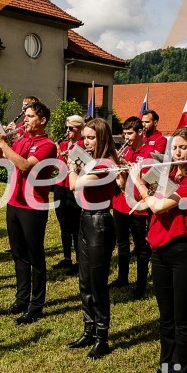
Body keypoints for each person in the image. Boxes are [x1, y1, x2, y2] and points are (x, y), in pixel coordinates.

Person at [130, 126, 187, 373]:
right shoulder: (170, 174)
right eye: (174, 147)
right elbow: (151, 200)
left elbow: (160, 206)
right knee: (165, 317)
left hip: (183, 252)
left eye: (183, 147)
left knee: (182, 318)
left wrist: (138, 182)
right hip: (159, 251)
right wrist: (142, 183)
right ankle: (166, 370)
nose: (177, 152)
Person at [0, 101, 57, 311]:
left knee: (35, 256)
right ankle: (21, 300)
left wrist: (4, 144)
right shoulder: (22, 141)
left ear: (42, 120)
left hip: (33, 206)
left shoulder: (47, 144)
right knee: (18, 254)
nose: (25, 120)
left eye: (29, 116)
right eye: (25, 116)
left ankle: (36, 304)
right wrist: (0, 142)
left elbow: (25, 165)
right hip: (15, 203)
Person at [67, 118, 118, 359]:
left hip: (99, 223)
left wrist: (71, 166)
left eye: (91, 137)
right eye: (84, 137)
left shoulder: (106, 164)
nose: (85, 142)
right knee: (85, 280)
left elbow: (74, 185)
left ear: (102, 138)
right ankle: (88, 330)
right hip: (85, 219)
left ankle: (102, 337)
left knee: (98, 283)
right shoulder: (92, 161)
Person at [110, 116, 153, 299]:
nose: (126, 138)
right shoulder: (125, 151)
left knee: (141, 246)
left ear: (140, 132)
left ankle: (141, 284)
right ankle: (122, 277)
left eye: (129, 134)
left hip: (138, 205)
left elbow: (148, 180)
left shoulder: (150, 153)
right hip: (120, 202)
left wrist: (130, 171)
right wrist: (118, 167)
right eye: (124, 134)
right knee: (122, 243)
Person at [53, 114, 84, 272]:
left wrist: (65, 157)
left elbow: (80, 167)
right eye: (67, 128)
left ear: (79, 129)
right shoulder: (64, 144)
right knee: (63, 224)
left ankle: (79, 261)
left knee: (75, 226)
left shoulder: (83, 145)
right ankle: (67, 258)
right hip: (60, 186)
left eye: (71, 128)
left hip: (74, 188)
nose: (68, 131)